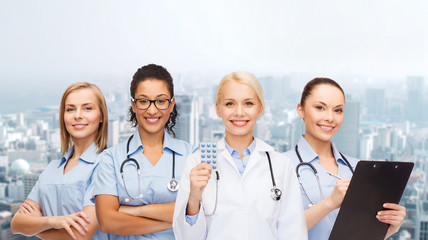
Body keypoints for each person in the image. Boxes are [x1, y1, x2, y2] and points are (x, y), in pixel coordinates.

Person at [173, 72, 307, 240]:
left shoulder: (281, 166)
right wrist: (194, 198)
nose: (239, 112)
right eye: (230, 104)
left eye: (248, 103)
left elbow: (293, 234)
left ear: (260, 109)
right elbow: (186, 237)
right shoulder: (196, 163)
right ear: (218, 110)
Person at [283, 77, 406, 240]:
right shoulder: (279, 166)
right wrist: (330, 203)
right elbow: (275, 230)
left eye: (338, 110)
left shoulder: (358, 169)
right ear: (301, 110)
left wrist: (390, 227)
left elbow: (363, 235)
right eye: (320, 107)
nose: (330, 118)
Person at [93, 64, 196, 239]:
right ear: (133, 105)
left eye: (161, 101)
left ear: (172, 105)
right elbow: (108, 222)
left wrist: (135, 211)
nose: (152, 109)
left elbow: (199, 210)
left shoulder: (192, 155)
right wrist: (175, 218)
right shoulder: (111, 159)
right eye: (143, 101)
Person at [11, 82, 109, 240]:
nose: (77, 115)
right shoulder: (52, 168)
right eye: (70, 109)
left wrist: (37, 227)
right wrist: (54, 221)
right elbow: (16, 224)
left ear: (101, 117)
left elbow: (81, 233)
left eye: (87, 108)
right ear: (63, 117)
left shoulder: (106, 165)